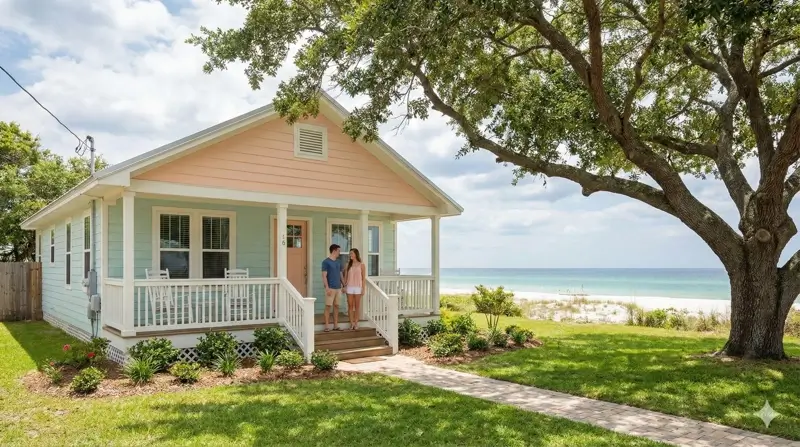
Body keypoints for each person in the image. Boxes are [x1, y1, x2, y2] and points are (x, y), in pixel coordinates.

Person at [321, 244, 344, 332]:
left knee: (336, 306)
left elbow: (340, 274)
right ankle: (327, 326)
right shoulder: (326, 262)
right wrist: (327, 288)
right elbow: (324, 275)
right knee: (328, 306)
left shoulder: (338, 262)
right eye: (338, 251)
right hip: (330, 288)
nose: (339, 253)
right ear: (334, 251)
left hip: (338, 288)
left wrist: (344, 285)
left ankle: (335, 325)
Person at [343, 248, 366, 330]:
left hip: (358, 287)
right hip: (349, 287)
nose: (350, 255)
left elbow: (363, 278)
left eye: (351, 253)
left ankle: (356, 323)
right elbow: (345, 277)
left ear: (356, 254)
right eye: (350, 254)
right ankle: (351, 323)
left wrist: (363, 288)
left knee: (357, 306)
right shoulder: (348, 264)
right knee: (350, 306)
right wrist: (344, 286)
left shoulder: (361, 265)